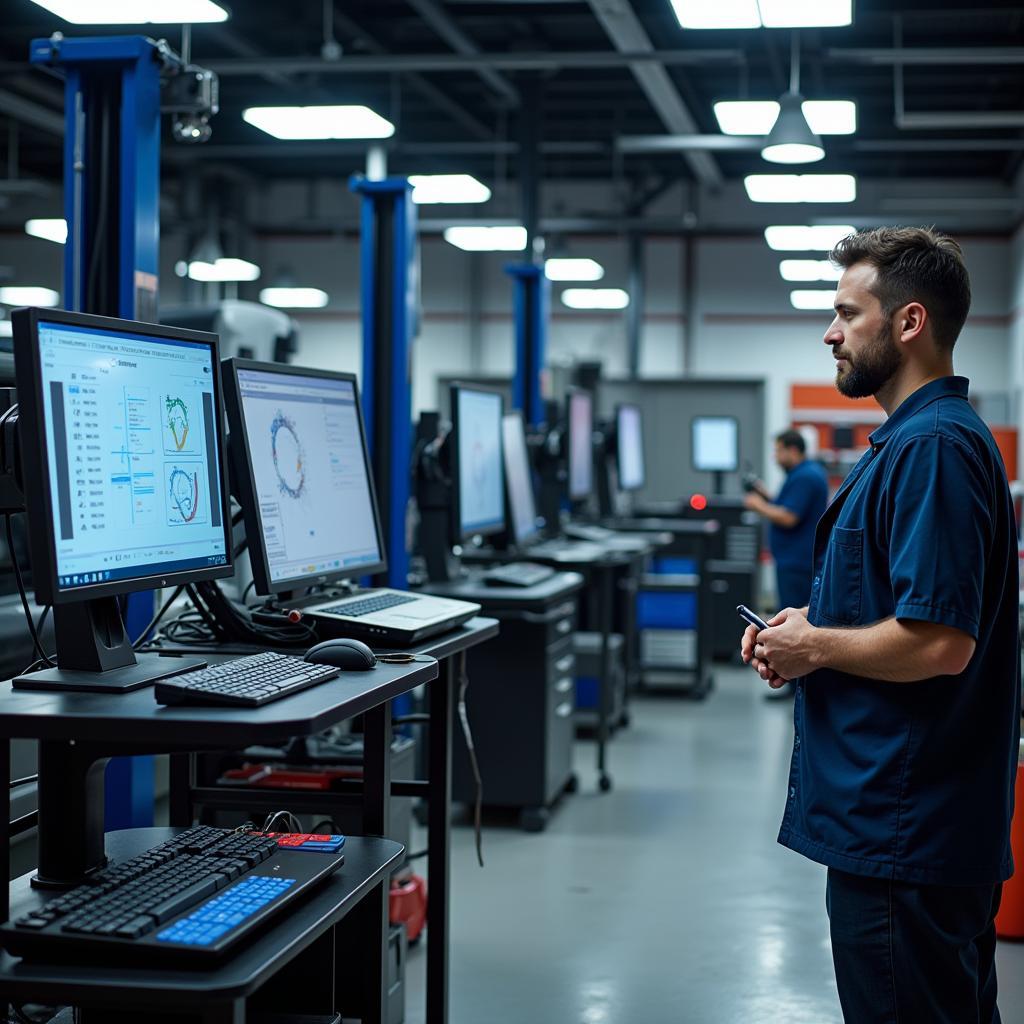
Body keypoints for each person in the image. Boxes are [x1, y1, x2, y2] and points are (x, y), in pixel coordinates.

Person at [740, 226, 1020, 1024]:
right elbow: (899, 609)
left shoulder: (933, 447)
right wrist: (809, 629)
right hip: (909, 829)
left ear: (909, 323)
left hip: (907, 834)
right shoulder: (911, 444)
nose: (830, 332)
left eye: (846, 313)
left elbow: (940, 642)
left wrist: (814, 646)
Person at [743, 430, 828, 698]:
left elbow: (789, 517)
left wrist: (758, 506)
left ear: (793, 450)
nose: (775, 456)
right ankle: (794, 682)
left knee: (789, 623)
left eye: (779, 450)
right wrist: (766, 495)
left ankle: (793, 683)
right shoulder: (804, 473)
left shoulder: (805, 476)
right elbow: (786, 505)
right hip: (794, 560)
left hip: (797, 563)